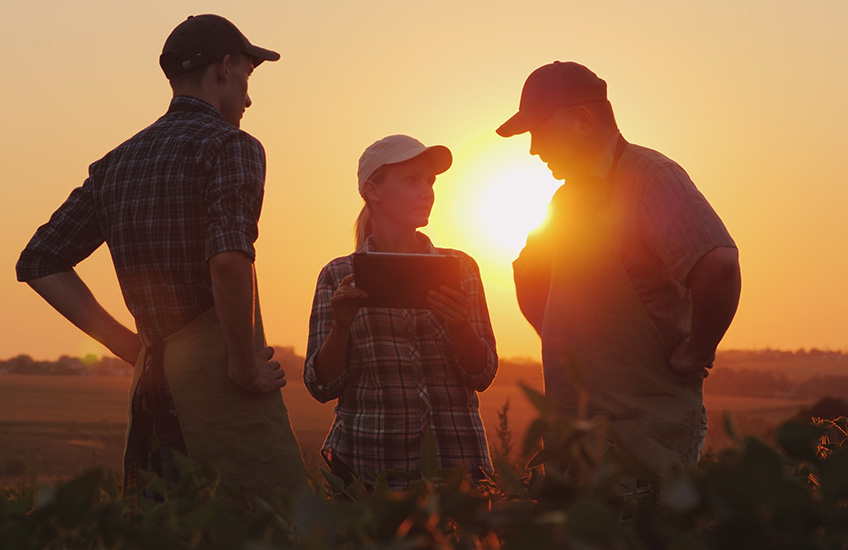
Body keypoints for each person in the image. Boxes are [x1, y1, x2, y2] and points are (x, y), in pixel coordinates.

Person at [15, 14, 306, 498]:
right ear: (225, 67)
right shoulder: (231, 145)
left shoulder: (115, 163)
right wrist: (243, 363)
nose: (249, 98)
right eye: (247, 78)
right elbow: (229, 259)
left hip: (151, 397)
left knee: (160, 531)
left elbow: (40, 261)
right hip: (221, 397)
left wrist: (130, 346)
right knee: (255, 525)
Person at [496, 62, 741, 479]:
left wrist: (698, 350)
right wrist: (564, 342)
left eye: (539, 130)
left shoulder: (651, 179)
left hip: (646, 434)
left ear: (583, 120)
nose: (534, 148)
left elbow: (718, 266)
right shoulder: (565, 200)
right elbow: (528, 275)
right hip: (575, 436)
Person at [304, 135, 498, 488]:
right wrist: (341, 326)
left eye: (430, 181)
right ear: (372, 191)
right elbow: (320, 385)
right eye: (412, 180)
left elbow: (482, 373)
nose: (427, 191)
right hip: (368, 472)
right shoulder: (337, 276)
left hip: (458, 469)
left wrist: (458, 326)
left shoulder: (462, 268)